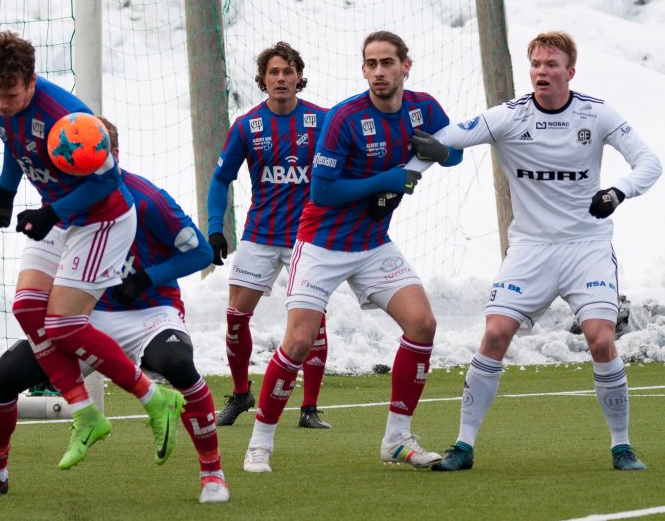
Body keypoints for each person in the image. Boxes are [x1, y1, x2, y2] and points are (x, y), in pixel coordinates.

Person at [0, 117, 229, 503]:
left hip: (148, 313)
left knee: (180, 366)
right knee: (2, 377)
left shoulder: (146, 199)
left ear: (112, 156)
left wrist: (147, 278)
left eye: (95, 158)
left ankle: (212, 474)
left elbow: (200, 251)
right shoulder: (59, 203)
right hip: (81, 316)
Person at [423, 31, 660, 472]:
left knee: (601, 339)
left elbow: (650, 164)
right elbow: (447, 138)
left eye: (551, 65)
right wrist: (413, 168)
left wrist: (617, 192)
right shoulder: (509, 117)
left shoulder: (598, 113)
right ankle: (463, 445)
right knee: (494, 335)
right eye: (535, 64)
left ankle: (622, 446)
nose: (541, 72)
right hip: (530, 250)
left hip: (586, 247)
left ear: (570, 72)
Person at [242, 31, 461, 473]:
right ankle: (260, 441)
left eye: (387, 63)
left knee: (423, 324)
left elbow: (453, 153)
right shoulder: (344, 118)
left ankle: (397, 440)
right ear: (363, 69)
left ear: (405, 66)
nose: (379, 71)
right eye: (371, 64)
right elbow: (321, 190)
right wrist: (384, 181)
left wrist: (443, 151)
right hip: (321, 244)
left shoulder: (425, 108)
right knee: (299, 341)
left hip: (372, 245)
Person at [0, 31, 183, 471]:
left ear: (31, 80)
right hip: (60, 215)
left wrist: (52, 213)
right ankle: (85, 413)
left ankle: (154, 396)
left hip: (100, 219)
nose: (4, 103)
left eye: (12, 94)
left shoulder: (69, 116)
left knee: (64, 324)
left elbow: (108, 182)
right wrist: (5, 193)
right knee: (27, 309)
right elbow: (13, 141)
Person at [207, 42, 332, 429]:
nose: (281, 78)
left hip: (307, 239)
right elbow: (221, 179)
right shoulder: (246, 126)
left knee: (313, 323)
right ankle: (242, 393)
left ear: (299, 78)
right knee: (234, 318)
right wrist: (214, 228)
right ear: (263, 79)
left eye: (288, 71)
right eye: (273, 72)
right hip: (260, 235)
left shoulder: (322, 121)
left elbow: (347, 169)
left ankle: (309, 407)